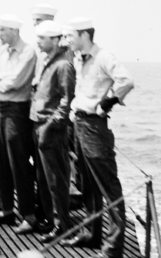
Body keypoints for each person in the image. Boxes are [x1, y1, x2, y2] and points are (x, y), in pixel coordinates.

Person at [60, 17, 134, 258]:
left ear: (84, 34)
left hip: (94, 127)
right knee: (87, 184)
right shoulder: (79, 58)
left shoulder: (103, 56)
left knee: (108, 186)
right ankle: (92, 236)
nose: (66, 40)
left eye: (70, 35)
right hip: (79, 123)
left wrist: (108, 103)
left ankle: (113, 249)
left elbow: (126, 80)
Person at [0, 15, 39, 233]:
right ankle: (6, 209)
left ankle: (28, 216)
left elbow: (14, 83)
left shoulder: (28, 52)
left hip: (16, 112)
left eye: (2, 31)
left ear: (14, 31)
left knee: (19, 163)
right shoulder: (1, 52)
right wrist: (1, 78)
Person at [29, 20, 75, 243]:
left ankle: (62, 225)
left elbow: (66, 102)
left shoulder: (63, 65)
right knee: (44, 178)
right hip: (38, 123)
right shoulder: (47, 61)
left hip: (51, 128)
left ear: (55, 40)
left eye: (42, 39)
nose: (38, 42)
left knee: (56, 179)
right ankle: (51, 220)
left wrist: (50, 126)